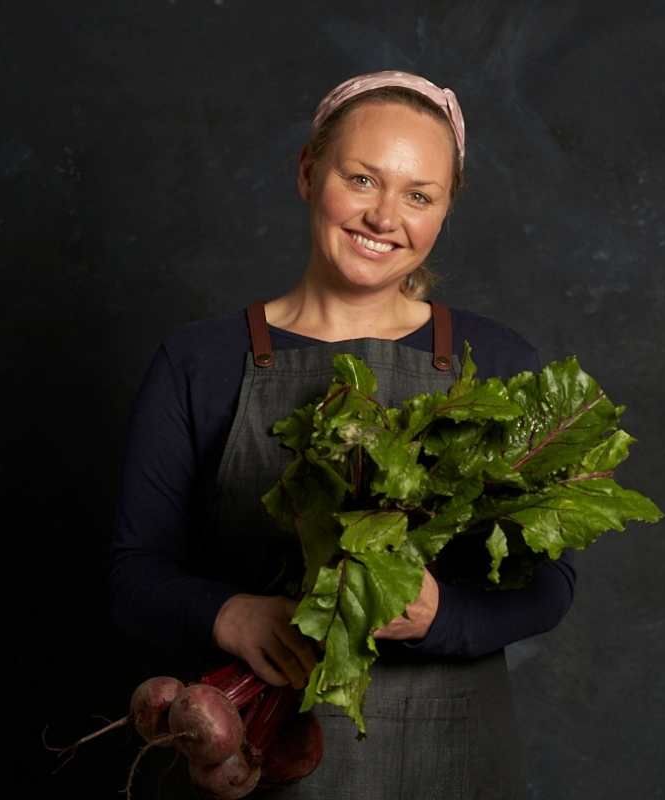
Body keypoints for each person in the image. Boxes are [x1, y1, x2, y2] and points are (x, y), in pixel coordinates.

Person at [110, 69, 576, 799]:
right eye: (361, 179)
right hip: (254, 760)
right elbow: (132, 575)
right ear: (308, 173)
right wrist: (231, 616)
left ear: (445, 211)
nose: (385, 216)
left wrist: (441, 615)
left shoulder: (502, 366)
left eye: (418, 195)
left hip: (454, 765)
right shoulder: (197, 363)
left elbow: (549, 585)